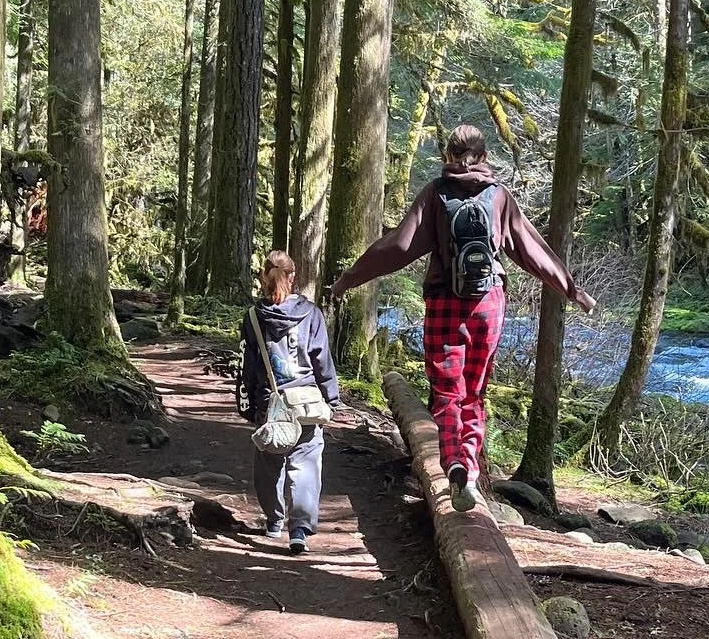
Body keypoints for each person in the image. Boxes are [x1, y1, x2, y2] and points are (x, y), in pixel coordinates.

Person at [330, 124, 596, 512]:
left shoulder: (435, 194)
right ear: (484, 156)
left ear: (447, 156)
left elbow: (399, 245)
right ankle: (469, 468)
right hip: (488, 303)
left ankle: (454, 462)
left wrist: (346, 281)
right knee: (474, 393)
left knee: (447, 392)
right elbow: (532, 251)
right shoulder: (499, 196)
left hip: (444, 303)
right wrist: (573, 290)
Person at [237, 251, 341, 555]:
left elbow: (249, 365)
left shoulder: (254, 317)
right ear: (293, 277)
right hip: (307, 402)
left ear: (263, 277)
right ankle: (299, 531)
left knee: (269, 464)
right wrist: (331, 398)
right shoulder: (311, 314)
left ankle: (274, 521)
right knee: (306, 464)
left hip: (271, 404)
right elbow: (323, 361)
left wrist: (249, 402)